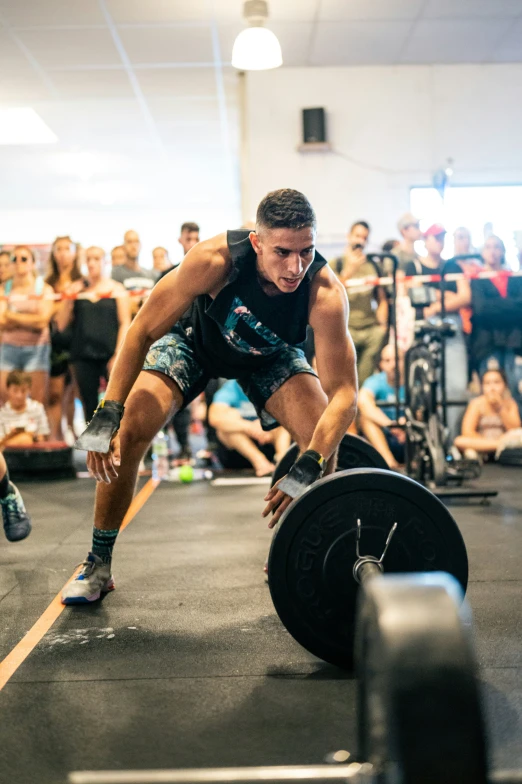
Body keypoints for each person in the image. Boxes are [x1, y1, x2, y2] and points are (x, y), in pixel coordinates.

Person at [61, 188, 357, 604]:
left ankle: (295, 552)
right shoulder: (214, 260)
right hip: (193, 343)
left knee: (322, 439)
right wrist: (109, 411)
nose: (295, 267)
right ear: (256, 242)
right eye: (282, 252)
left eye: (305, 251)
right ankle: (98, 562)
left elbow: (344, 394)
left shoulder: (324, 292)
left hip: (268, 355)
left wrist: (309, 463)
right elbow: (142, 330)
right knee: (129, 430)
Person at [403, 224, 470, 438]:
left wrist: (434, 297)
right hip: (424, 331)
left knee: (456, 387)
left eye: (442, 237)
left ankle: (452, 440)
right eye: (435, 237)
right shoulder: (413, 266)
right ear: (425, 240)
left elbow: (465, 297)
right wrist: (448, 297)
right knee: (427, 388)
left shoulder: (453, 266)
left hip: (451, 329)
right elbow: (413, 294)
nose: (439, 241)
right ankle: (431, 438)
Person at [57, 247, 131, 422]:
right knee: (89, 406)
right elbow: (60, 325)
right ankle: (94, 448)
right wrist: (69, 297)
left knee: (117, 403)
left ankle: (117, 445)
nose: (92, 263)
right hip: (83, 356)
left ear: (104, 261)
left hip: (110, 354)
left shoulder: (116, 288)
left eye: (96, 259)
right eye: (88, 259)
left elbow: (125, 323)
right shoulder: (78, 289)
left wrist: (117, 355)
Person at [330, 221, 387, 386]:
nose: (360, 241)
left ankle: (362, 409)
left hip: (370, 330)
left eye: (364, 237)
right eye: (357, 236)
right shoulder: (336, 264)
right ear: (349, 237)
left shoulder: (373, 266)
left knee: (365, 380)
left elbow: (381, 298)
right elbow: (330, 293)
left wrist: (382, 327)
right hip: (346, 329)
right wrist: (349, 272)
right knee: (345, 381)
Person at [470, 234, 522, 409]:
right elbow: (481, 309)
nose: (493, 252)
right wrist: (509, 306)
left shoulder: (515, 277)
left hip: (513, 343)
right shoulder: (477, 279)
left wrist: (496, 306)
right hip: (487, 344)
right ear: (482, 252)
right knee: (490, 391)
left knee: (515, 389)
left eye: (497, 247)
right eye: (488, 247)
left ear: (503, 251)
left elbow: (520, 307)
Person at [0, 246, 54, 404]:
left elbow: (42, 321)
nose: (18, 262)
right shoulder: (4, 289)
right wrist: (30, 318)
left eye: (23, 258)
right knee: (5, 401)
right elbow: (1, 322)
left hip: (37, 349)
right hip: (8, 348)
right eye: (14, 259)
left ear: (33, 263)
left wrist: (11, 315)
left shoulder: (44, 289)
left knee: (37, 402)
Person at [209, 379, 291, 476]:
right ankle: (260, 462)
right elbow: (214, 417)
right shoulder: (231, 387)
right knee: (226, 424)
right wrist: (249, 427)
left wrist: (266, 425)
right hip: (240, 447)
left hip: (269, 439)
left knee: (284, 424)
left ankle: (282, 462)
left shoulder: (272, 384)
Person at [45, 236, 83, 441]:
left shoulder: (83, 280)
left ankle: (76, 433)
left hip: (80, 342)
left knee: (78, 393)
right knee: (56, 393)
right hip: (57, 344)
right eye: (58, 249)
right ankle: (57, 438)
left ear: (74, 252)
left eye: (66, 248)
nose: (62, 253)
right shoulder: (48, 283)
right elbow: (52, 316)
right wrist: (66, 299)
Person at [454, 369, 521, 460]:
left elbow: (514, 429)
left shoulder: (510, 403)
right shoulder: (476, 404)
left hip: (506, 441)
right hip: (483, 443)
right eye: (487, 383)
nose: (492, 387)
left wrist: (500, 408)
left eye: (496, 382)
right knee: (459, 441)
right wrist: (492, 443)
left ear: (505, 385)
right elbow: (467, 432)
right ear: (482, 386)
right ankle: (497, 448)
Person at [358, 344, 406, 469]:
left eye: (397, 359)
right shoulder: (375, 381)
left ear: (405, 361)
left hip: (408, 435)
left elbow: (423, 408)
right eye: (387, 360)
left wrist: (406, 422)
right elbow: (362, 401)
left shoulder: (414, 382)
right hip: (386, 437)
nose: (393, 364)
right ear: (381, 364)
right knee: (365, 419)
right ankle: (390, 463)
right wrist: (390, 425)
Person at [0, 370, 50, 446]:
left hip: (33, 453)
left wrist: (31, 437)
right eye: (15, 390)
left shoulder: (37, 408)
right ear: (8, 389)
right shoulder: (2, 413)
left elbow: (43, 437)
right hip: (8, 454)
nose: (19, 395)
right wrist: (12, 435)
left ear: (29, 390)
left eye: (23, 391)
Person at [111, 230, 156, 312]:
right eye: (129, 242)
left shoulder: (151, 274)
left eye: (136, 241)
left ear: (140, 245)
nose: (133, 245)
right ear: (123, 246)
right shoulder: (116, 273)